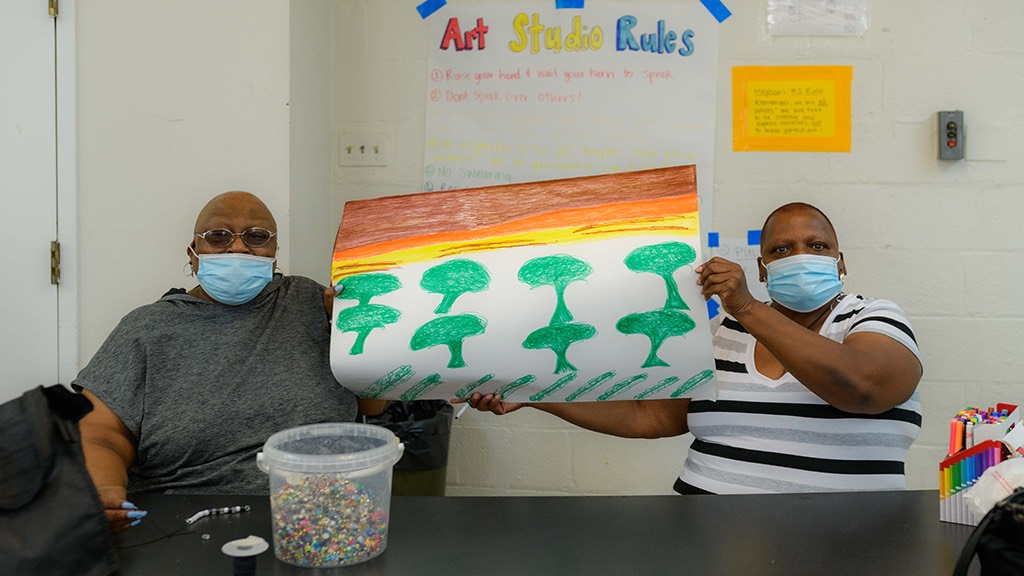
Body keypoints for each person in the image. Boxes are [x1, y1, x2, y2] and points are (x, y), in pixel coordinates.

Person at [460, 202, 923, 495]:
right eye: (781, 249)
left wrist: (745, 307)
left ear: (840, 262)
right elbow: (654, 416)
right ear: (762, 270)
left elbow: (862, 386)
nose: (800, 255)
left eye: (817, 245)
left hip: (850, 544)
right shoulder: (725, 332)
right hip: (704, 539)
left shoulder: (872, 318)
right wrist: (536, 394)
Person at [74, 191, 388, 532]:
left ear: (274, 254)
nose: (238, 248)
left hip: (324, 511)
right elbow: (101, 435)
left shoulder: (312, 305)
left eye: (256, 237)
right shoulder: (147, 329)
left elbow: (373, 405)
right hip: (186, 516)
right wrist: (104, 491)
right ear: (192, 255)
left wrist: (353, 330)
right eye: (218, 237)